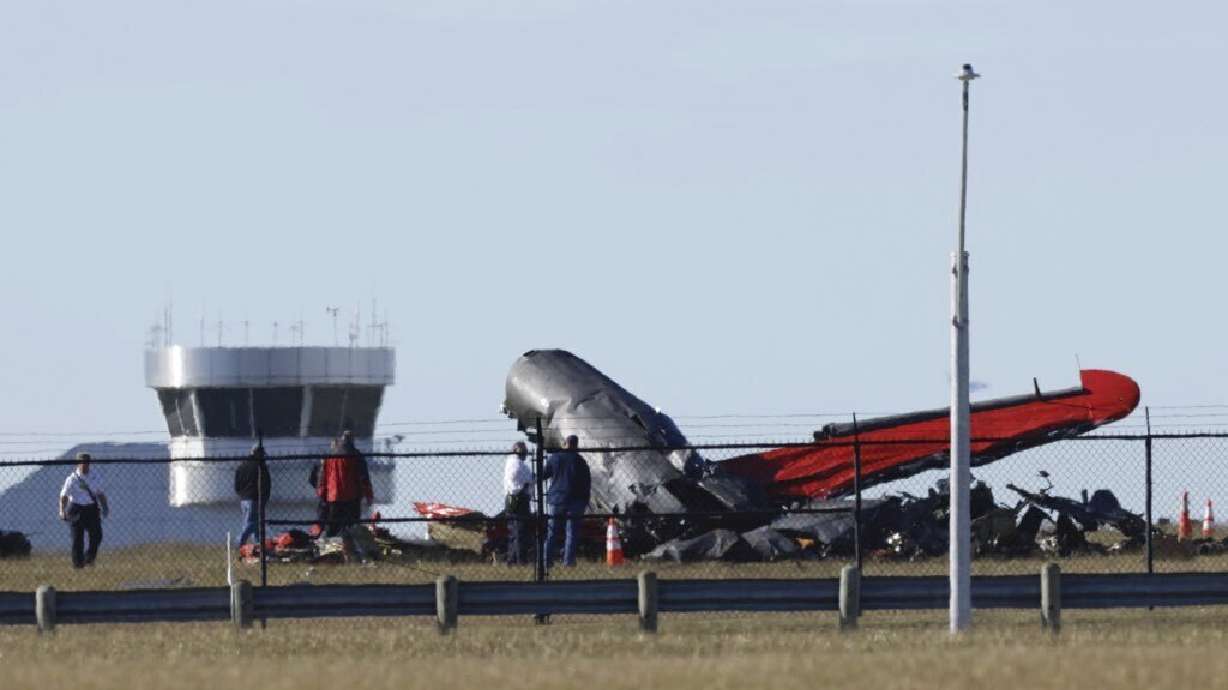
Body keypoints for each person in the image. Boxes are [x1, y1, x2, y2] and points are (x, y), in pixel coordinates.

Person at [542, 435, 591, 568]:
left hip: (557, 499)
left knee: (552, 532)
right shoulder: (580, 461)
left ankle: (546, 562)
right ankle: (568, 562)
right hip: (575, 500)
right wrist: (585, 500)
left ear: (565, 443)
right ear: (576, 445)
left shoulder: (555, 458)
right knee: (572, 532)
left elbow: (544, 474)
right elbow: (586, 482)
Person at [316, 430, 373, 537]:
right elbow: (364, 477)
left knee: (332, 526)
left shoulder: (330, 456)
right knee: (353, 526)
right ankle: (352, 547)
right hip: (352, 496)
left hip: (334, 496)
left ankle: (327, 546)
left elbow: (322, 476)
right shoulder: (357, 455)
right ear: (352, 440)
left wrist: (322, 492)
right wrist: (369, 495)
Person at [58, 453, 109, 569]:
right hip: (76, 508)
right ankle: (78, 566)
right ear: (78, 463)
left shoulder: (96, 477)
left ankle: (89, 559)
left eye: (87, 462)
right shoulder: (72, 479)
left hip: (91, 509)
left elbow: (100, 494)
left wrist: (105, 507)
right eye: (82, 462)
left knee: (97, 536)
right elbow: (64, 496)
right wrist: (62, 510)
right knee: (77, 539)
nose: (85, 464)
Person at [502, 441, 534, 565]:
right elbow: (526, 478)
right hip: (519, 498)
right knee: (521, 531)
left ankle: (512, 559)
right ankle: (520, 560)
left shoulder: (510, 463)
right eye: (524, 451)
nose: (525, 454)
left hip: (511, 498)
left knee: (514, 531)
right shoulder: (518, 464)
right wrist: (528, 482)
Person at [234, 444, 272, 546]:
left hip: (244, 498)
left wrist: (241, 493)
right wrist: (265, 496)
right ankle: (239, 541)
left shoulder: (242, 466)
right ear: (257, 453)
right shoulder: (260, 466)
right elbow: (266, 483)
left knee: (249, 521)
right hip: (255, 498)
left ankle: (257, 544)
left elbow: (237, 484)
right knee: (254, 522)